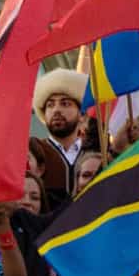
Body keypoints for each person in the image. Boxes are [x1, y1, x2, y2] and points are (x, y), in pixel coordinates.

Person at [32, 68, 88, 203]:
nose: (56, 110)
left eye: (65, 103)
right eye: (50, 105)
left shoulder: (96, 151)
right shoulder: (34, 152)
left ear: (81, 114)